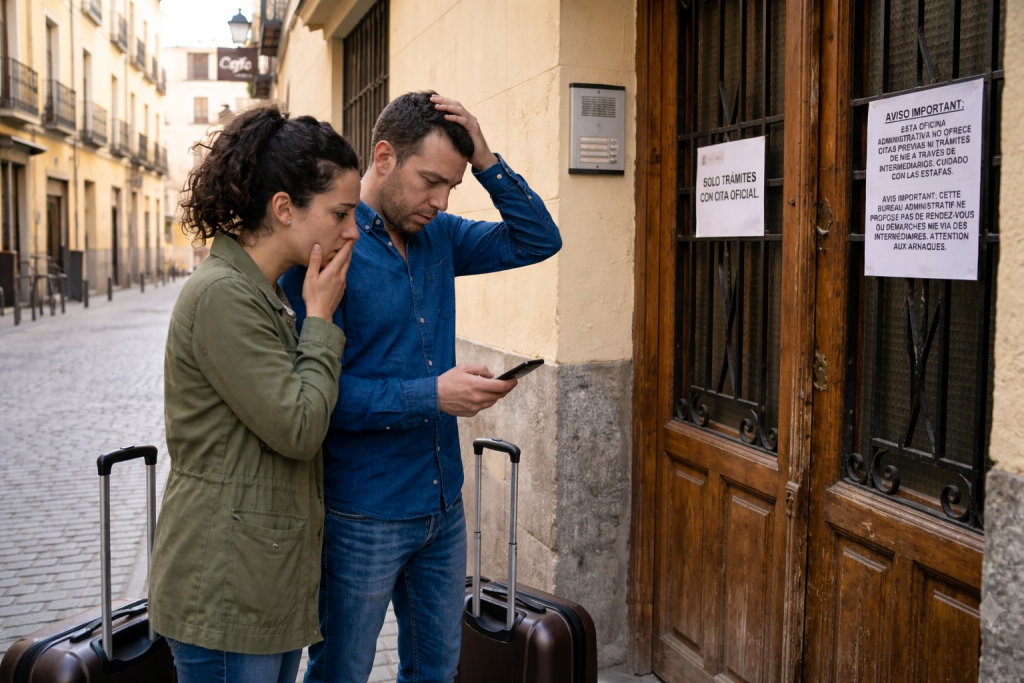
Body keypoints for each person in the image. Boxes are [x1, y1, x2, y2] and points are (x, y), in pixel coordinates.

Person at [280, 91, 562, 683]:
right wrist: (432, 395)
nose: (440, 201)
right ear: (384, 157)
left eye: (452, 187)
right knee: (340, 672)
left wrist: (486, 160)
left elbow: (539, 239)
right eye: (431, 180)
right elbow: (313, 395)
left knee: (436, 672)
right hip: (362, 512)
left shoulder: (441, 235)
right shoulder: (327, 246)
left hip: (443, 504)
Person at [148, 105, 361, 683]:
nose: (352, 231)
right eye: (341, 213)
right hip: (225, 590)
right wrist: (321, 319)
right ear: (285, 208)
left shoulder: (259, 290)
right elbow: (298, 427)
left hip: (260, 584)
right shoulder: (224, 295)